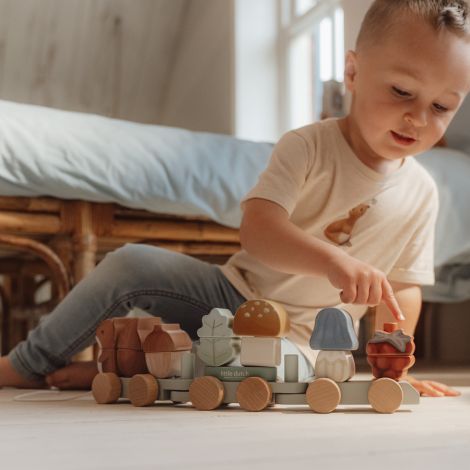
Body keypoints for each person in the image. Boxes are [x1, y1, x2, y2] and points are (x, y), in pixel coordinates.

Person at [1, 0, 468, 397]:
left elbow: (403, 289)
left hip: (304, 342)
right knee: (130, 263)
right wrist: (331, 261)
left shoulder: (423, 193)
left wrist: (396, 371)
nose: (417, 118)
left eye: (442, 106)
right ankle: (28, 363)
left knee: (262, 381)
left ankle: (117, 375)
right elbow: (259, 231)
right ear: (352, 71)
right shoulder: (307, 146)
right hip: (231, 297)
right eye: (402, 91)